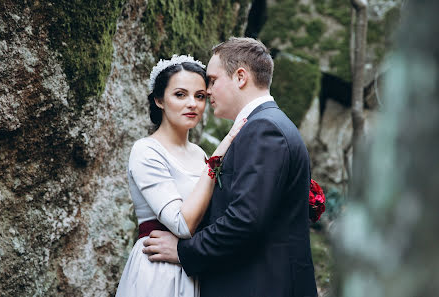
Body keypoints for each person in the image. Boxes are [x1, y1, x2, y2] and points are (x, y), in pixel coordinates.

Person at [143, 37, 319, 297]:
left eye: (213, 80)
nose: (208, 90)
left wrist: (183, 251)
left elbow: (245, 220)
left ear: (240, 77)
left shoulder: (264, 129)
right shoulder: (267, 125)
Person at [115, 55, 246, 297]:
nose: (192, 104)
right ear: (159, 100)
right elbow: (182, 224)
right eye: (180, 94)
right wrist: (224, 145)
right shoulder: (146, 151)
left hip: (192, 267)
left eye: (199, 96)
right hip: (158, 269)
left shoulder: (199, 154)